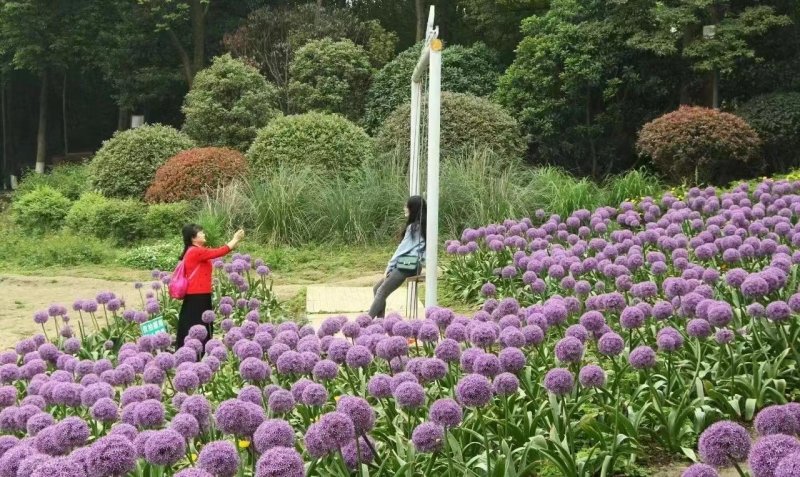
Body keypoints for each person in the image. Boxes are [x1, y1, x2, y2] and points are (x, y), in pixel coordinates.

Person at [175, 224, 245, 348]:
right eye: (200, 232)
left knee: (192, 321)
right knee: (200, 323)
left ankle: (192, 348)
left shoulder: (192, 250)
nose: (203, 234)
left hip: (198, 294)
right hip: (198, 295)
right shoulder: (196, 251)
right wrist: (236, 239)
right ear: (193, 237)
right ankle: (196, 349)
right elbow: (220, 251)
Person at [368, 196, 427, 318]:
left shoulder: (414, 228)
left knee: (381, 292)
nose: (404, 208)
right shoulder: (424, 226)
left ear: (413, 208)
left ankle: (364, 324)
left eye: (407, 206)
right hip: (413, 265)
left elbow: (402, 250)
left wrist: (389, 267)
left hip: (407, 264)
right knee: (377, 289)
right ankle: (380, 324)